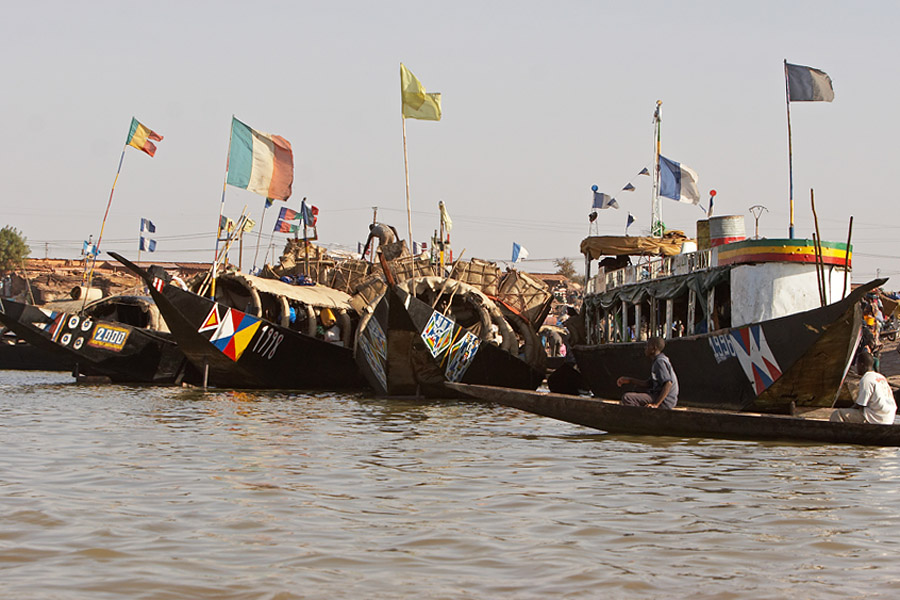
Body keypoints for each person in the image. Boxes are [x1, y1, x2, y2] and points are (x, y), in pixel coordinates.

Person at [830, 352, 896, 424]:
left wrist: (848, 409)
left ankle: (840, 434)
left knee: (837, 414)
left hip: (877, 418)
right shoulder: (880, 377)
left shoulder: (866, 379)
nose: (856, 367)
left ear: (861, 365)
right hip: (889, 416)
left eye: (857, 364)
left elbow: (861, 404)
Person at [616, 336, 678, 409]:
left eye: (647, 346)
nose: (645, 348)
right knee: (637, 389)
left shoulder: (659, 362)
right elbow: (648, 383)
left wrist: (656, 404)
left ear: (654, 348)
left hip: (666, 400)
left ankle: (642, 417)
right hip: (660, 396)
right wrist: (629, 380)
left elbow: (668, 384)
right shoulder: (658, 360)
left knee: (627, 398)